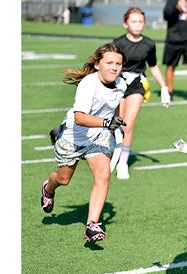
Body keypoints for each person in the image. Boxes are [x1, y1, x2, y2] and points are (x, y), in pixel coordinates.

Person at [40, 43, 127, 243]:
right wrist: (107, 122)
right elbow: (80, 117)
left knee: (103, 175)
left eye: (118, 64)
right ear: (97, 64)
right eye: (109, 63)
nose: (114, 67)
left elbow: (116, 101)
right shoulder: (88, 84)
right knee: (63, 179)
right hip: (72, 137)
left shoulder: (121, 83)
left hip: (98, 136)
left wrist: (116, 122)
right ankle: (48, 188)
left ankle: (92, 225)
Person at [111, 7, 171, 180]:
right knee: (117, 124)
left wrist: (164, 87)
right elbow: (112, 64)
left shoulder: (149, 44)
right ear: (125, 23)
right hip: (118, 83)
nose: (137, 25)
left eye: (140, 22)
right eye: (133, 21)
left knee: (128, 125)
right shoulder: (118, 43)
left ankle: (123, 163)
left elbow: (153, 66)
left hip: (137, 84)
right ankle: (113, 151)